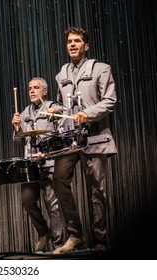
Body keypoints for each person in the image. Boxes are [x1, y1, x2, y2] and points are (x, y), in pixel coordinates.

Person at [49, 27, 117, 254]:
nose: (72, 44)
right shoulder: (61, 74)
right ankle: (75, 235)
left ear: (85, 45)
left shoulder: (100, 69)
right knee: (58, 180)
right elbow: (61, 104)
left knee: (96, 189)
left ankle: (101, 240)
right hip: (70, 139)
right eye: (69, 41)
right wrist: (53, 109)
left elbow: (110, 101)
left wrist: (88, 113)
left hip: (95, 136)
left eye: (77, 41)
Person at [11, 77, 65, 252]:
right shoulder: (25, 112)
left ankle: (58, 244)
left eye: (36, 88)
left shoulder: (53, 106)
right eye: (29, 88)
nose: (32, 91)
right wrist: (17, 128)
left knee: (52, 205)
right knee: (27, 201)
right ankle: (43, 232)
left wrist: (55, 114)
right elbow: (18, 141)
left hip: (49, 163)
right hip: (31, 165)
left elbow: (64, 120)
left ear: (45, 91)